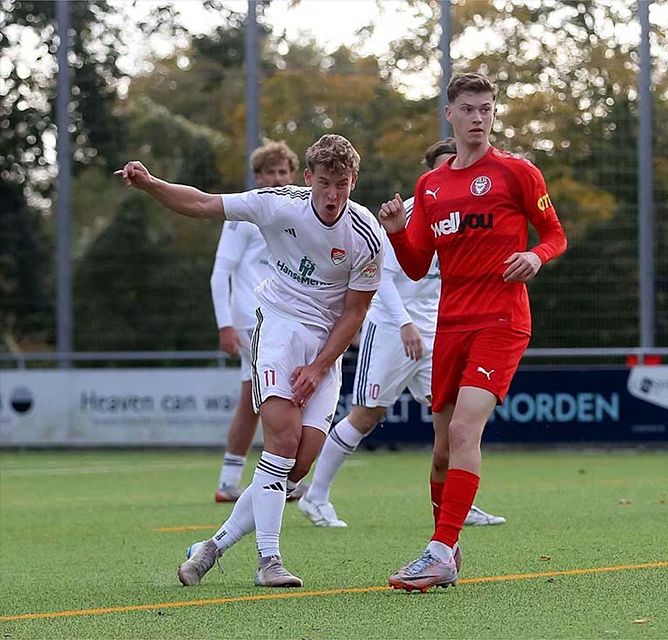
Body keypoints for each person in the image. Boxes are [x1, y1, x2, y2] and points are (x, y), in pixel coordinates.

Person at [116, 134, 383, 588]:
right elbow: (201, 203)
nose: (333, 195)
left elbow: (355, 312)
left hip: (326, 347)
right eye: (324, 183)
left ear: (353, 180)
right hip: (278, 328)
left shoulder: (366, 234)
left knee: (298, 466)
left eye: (342, 184)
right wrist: (150, 184)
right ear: (307, 179)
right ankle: (270, 561)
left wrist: (318, 366)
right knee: (282, 441)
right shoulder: (278, 204)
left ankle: (210, 549)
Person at [377, 72, 568, 592]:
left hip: (502, 321)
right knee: (441, 447)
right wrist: (396, 232)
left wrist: (534, 254)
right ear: (450, 114)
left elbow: (555, 234)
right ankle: (449, 548)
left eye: (487, 109)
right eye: (469, 109)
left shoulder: (518, 173)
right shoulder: (430, 186)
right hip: (451, 323)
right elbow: (416, 266)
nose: (479, 118)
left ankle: (438, 552)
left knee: (464, 432)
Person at [297, 138, 506, 529]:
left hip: (437, 331)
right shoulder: (410, 212)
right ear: (430, 173)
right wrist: (406, 324)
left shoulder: (473, 213)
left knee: (457, 421)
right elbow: (383, 279)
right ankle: (315, 496)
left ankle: (456, 503)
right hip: (393, 327)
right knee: (367, 415)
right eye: (449, 166)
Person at [210, 140, 304, 503]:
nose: (278, 178)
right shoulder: (245, 213)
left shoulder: (299, 211)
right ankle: (282, 479)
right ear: (258, 176)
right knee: (280, 395)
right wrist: (225, 324)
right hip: (254, 318)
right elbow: (222, 273)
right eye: (271, 173)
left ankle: (230, 479)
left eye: (284, 172)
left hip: (283, 316)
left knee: (253, 396)